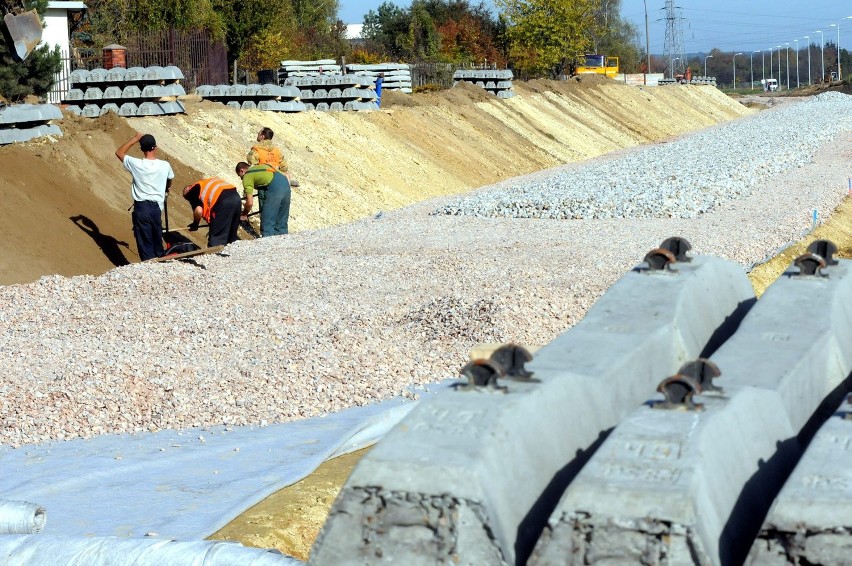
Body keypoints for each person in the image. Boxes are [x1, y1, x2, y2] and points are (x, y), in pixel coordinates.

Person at [115, 132, 174, 261]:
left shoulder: (136, 164)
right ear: (155, 147)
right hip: (156, 208)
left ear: (142, 149)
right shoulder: (165, 165)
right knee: (157, 241)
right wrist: (166, 188)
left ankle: (149, 270)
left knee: (145, 243)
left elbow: (119, 152)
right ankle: (160, 267)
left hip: (141, 208)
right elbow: (170, 179)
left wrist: (135, 138)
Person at [236, 161, 291, 237]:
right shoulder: (263, 166)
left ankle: (268, 244)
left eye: (240, 176)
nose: (241, 179)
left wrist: (244, 214)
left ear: (242, 170)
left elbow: (250, 202)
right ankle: (283, 242)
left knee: (268, 219)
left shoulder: (247, 176)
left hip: (275, 187)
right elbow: (286, 175)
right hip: (285, 184)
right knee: (281, 220)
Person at [182, 178, 242, 247]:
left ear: (189, 189)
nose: (188, 199)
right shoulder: (203, 183)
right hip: (236, 197)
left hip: (223, 202)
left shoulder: (193, 192)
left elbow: (198, 211)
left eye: (186, 197)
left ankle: (214, 254)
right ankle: (232, 251)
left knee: (217, 238)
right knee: (231, 233)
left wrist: (195, 224)